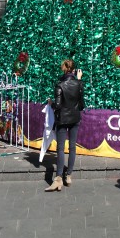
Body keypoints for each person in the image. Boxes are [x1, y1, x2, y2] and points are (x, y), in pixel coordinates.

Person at [45, 59, 84, 192]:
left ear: (63, 69)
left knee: (60, 148)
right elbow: (82, 105)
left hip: (62, 119)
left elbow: (58, 105)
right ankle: (69, 176)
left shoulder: (60, 85)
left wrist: (51, 103)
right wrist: (79, 80)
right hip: (75, 118)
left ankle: (58, 179)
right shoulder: (79, 84)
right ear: (74, 70)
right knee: (72, 147)